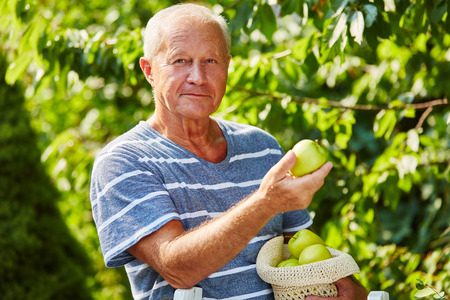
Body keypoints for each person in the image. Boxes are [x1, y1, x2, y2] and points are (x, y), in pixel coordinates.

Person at [90, 3, 368, 299]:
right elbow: (177, 269)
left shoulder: (262, 147)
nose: (197, 76)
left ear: (227, 66)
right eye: (180, 60)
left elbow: (305, 253)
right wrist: (264, 203)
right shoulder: (123, 161)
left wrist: (349, 290)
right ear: (149, 71)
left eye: (211, 60)